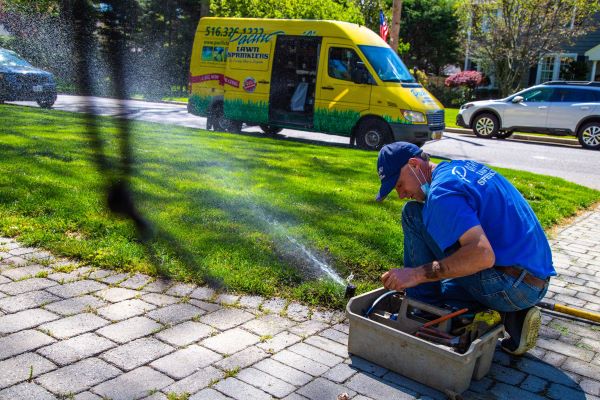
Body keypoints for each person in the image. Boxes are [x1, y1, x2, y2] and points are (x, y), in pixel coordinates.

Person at [375, 142, 555, 356]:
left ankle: (421, 312)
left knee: (413, 214)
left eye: (399, 184)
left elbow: (482, 256)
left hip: (512, 286)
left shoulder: (442, 194)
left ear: (414, 165)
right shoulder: (460, 168)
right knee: (446, 287)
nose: (401, 194)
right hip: (534, 279)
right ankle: (512, 316)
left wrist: (414, 274)